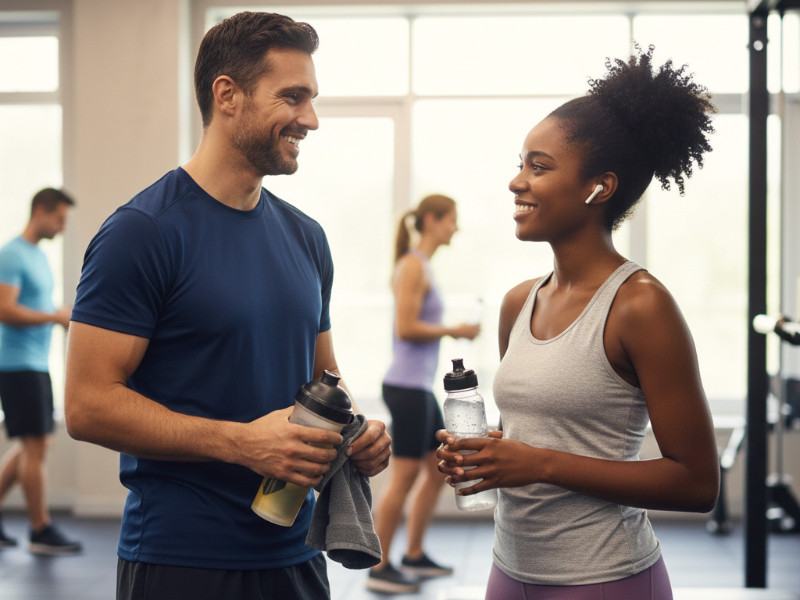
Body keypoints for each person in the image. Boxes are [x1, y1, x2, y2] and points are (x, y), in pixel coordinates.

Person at [64, 12, 390, 600]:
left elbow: (323, 381)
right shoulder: (143, 232)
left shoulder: (306, 237)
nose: (310, 120)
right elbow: (87, 406)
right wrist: (240, 442)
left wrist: (357, 433)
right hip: (183, 560)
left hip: (295, 554)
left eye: (312, 99)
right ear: (228, 95)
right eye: (292, 97)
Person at [436, 47, 720, 600]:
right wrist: (489, 451)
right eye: (520, 163)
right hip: (508, 569)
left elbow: (696, 482)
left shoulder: (640, 306)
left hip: (603, 577)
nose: (516, 182)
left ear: (600, 187)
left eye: (538, 167)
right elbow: (536, 432)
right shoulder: (519, 302)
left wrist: (536, 462)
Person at [368, 195, 480, 594]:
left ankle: (414, 553)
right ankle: (379, 566)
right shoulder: (413, 265)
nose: (456, 228)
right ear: (432, 220)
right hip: (405, 386)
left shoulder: (423, 265)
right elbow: (406, 327)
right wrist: (455, 331)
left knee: (436, 468)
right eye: (452, 219)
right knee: (404, 474)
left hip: (418, 386)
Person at [0, 187, 82, 555]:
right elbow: (5, 310)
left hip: (35, 363)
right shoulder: (12, 255)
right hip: (15, 364)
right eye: (60, 219)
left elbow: (33, 305)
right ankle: (40, 529)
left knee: (35, 444)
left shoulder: (36, 256)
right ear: (42, 212)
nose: (62, 227)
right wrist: (54, 317)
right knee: (35, 448)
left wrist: (56, 312)